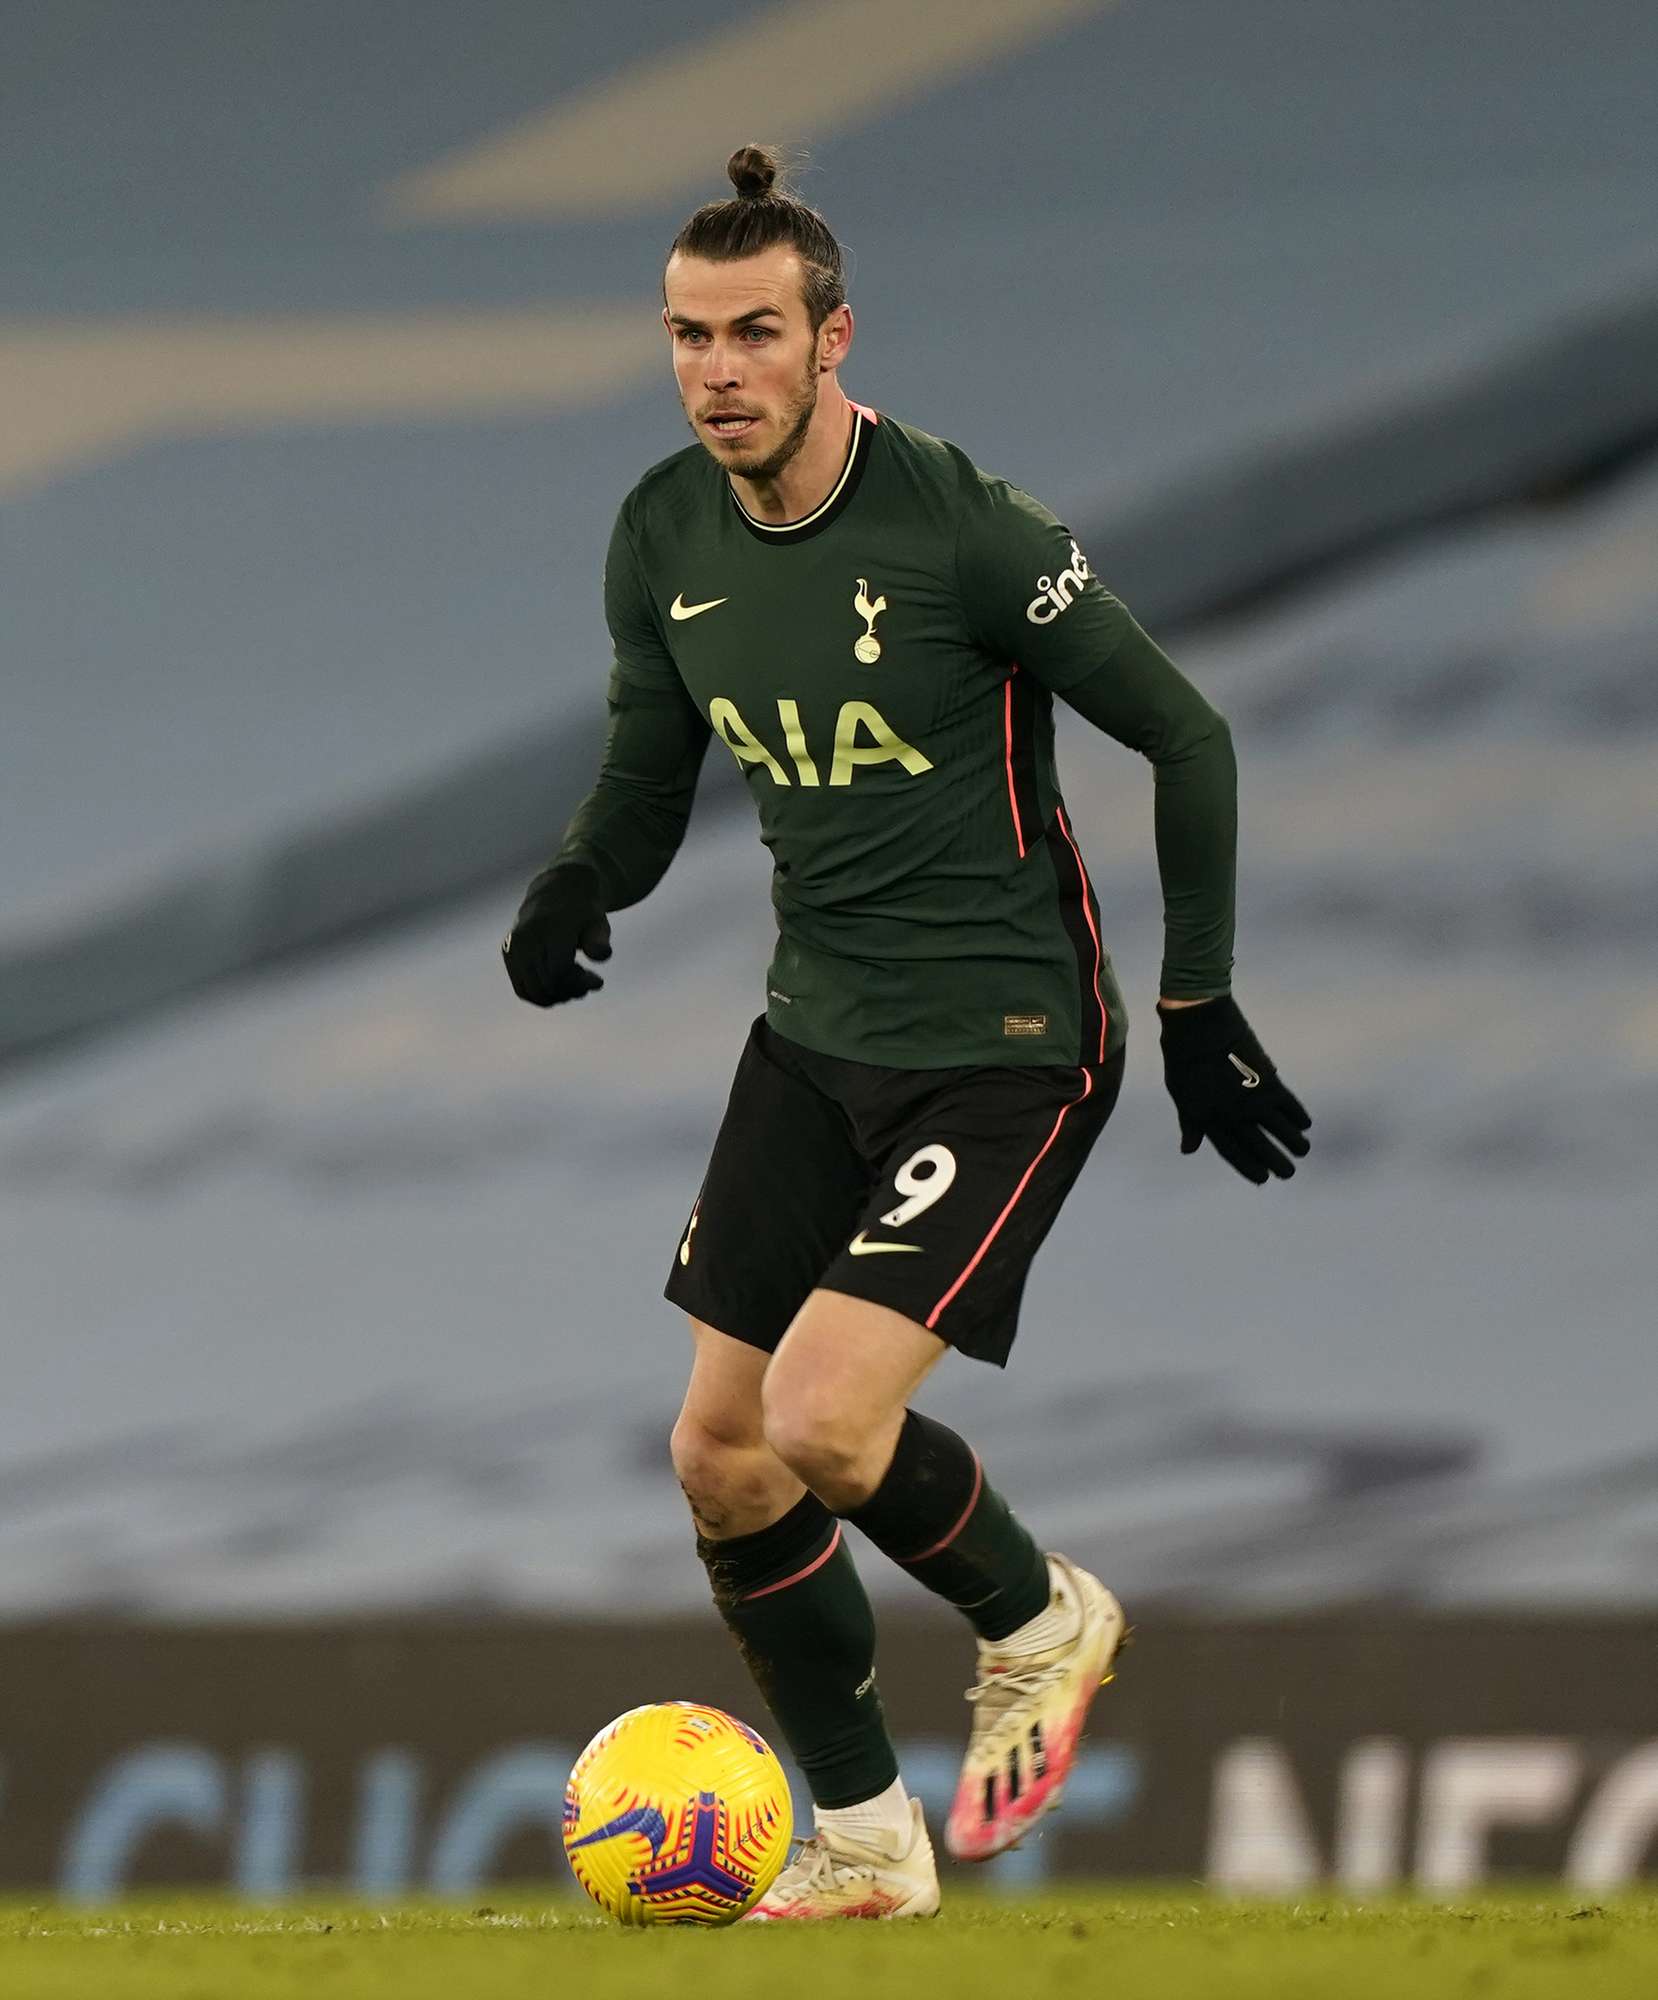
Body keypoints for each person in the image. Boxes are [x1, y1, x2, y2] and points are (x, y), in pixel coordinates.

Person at [503, 145, 1310, 1920]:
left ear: (832, 338)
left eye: (753, 332)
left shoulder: (960, 527)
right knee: (720, 1457)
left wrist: (1197, 1000)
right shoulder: (663, 533)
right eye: (687, 335)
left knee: (818, 1420)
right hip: (813, 1035)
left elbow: (1185, 735)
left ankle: (1039, 1616)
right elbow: (646, 776)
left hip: (1004, 1040)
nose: (717, 370)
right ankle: (870, 1842)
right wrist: (578, 880)